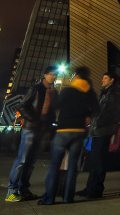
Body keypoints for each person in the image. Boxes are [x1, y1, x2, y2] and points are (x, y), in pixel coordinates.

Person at [39, 67, 98, 205]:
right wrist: (86, 115)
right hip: (79, 131)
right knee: (72, 166)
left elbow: (56, 106)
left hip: (63, 130)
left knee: (55, 165)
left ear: (76, 76)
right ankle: (68, 198)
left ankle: (49, 198)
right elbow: (97, 109)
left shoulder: (67, 90)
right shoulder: (89, 92)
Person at [6, 66, 58, 202]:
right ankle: (11, 191)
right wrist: (33, 118)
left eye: (55, 74)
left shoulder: (54, 92)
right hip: (30, 128)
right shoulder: (36, 88)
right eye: (51, 74)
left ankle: (24, 190)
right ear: (45, 75)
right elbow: (22, 106)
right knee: (22, 160)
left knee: (31, 162)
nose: (53, 76)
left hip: (42, 129)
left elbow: (53, 111)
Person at [77, 70, 120, 199]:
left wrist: (95, 124)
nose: (102, 80)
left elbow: (107, 114)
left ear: (112, 80)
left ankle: (96, 189)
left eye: (105, 78)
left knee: (99, 160)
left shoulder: (113, 94)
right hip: (98, 131)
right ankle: (90, 187)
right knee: (95, 160)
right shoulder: (107, 92)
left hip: (102, 131)